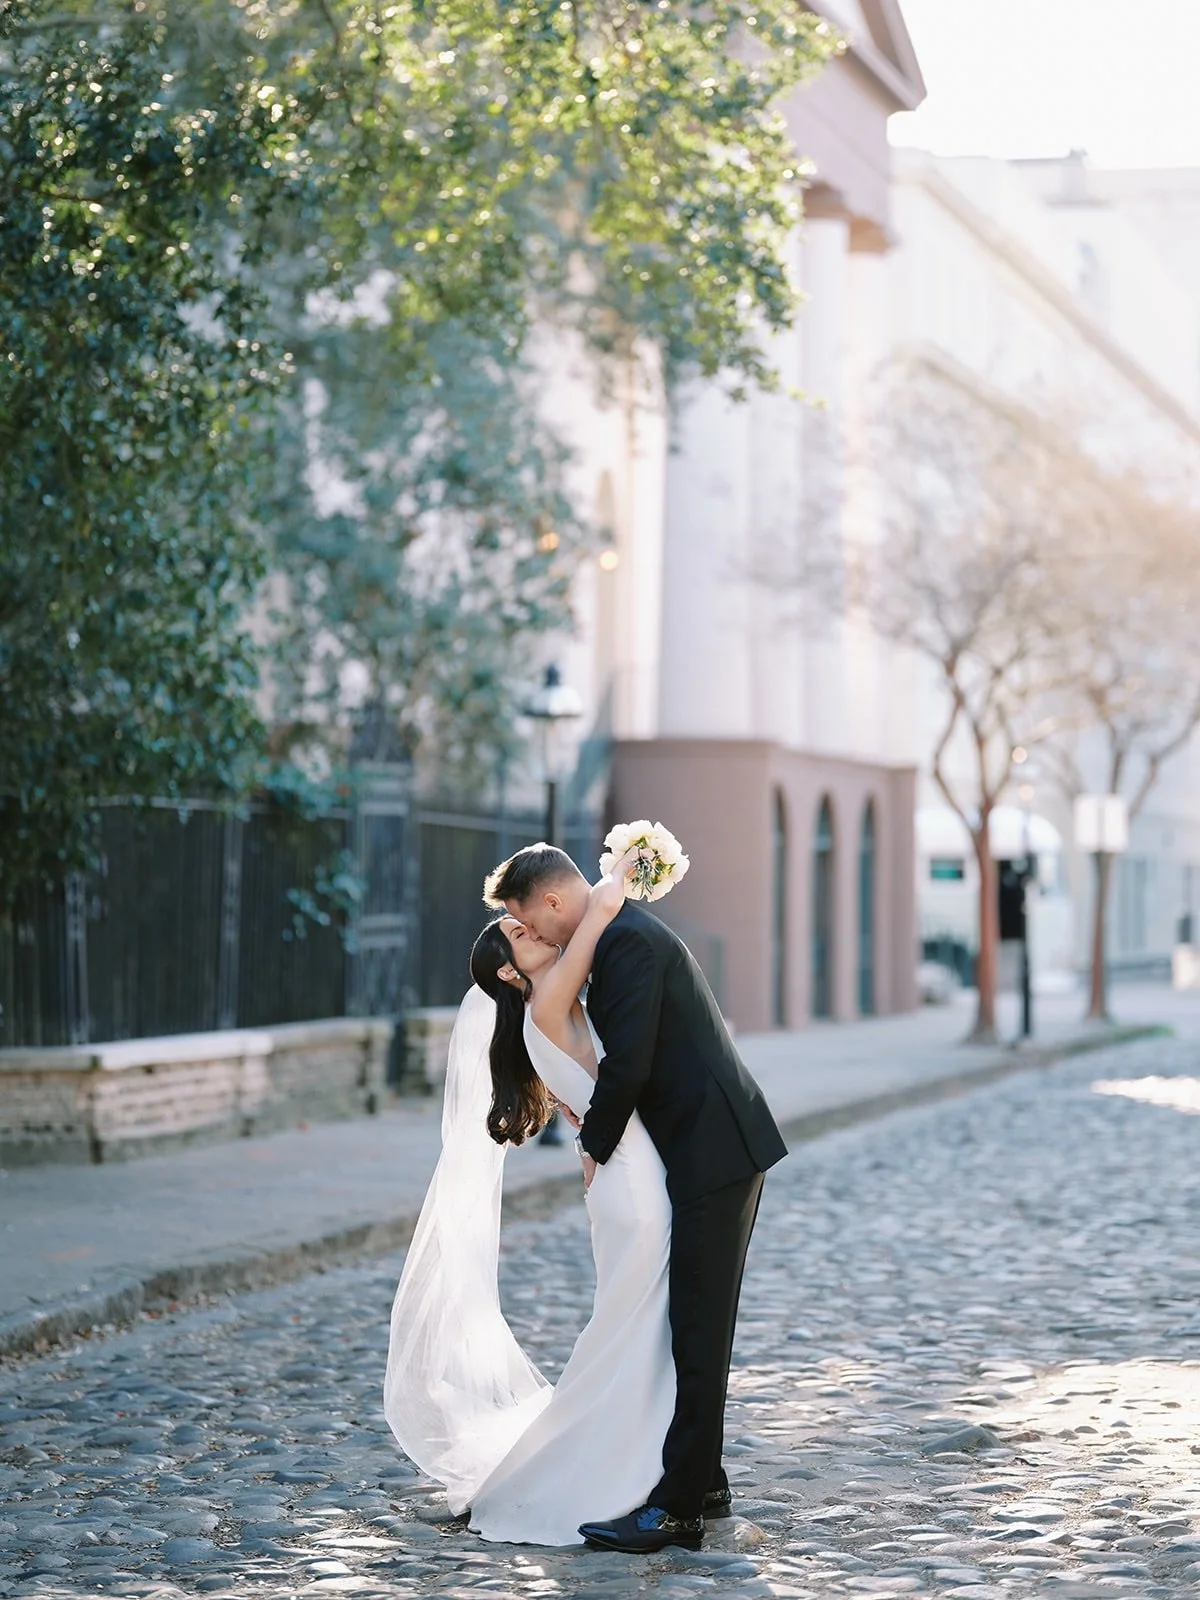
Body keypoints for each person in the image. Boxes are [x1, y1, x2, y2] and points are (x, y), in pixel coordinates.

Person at [486, 842, 787, 1554]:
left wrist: (594, 1147)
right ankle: (704, 1479)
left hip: (713, 1149)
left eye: (527, 919)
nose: (534, 934)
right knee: (693, 1325)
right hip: (712, 1146)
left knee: (699, 1331)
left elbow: (630, 1064)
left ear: (553, 902)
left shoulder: (622, 944)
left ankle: (678, 1510)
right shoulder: (616, 935)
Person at [384, 848, 679, 1547]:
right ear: (512, 975)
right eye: (519, 934)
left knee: (629, 1328)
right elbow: (597, 912)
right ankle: (593, 1468)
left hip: (620, 1182)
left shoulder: (549, 1009)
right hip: (633, 1188)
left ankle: (632, 1462)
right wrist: (629, 865)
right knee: (629, 1331)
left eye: (525, 924)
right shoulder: (547, 1000)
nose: (535, 933)